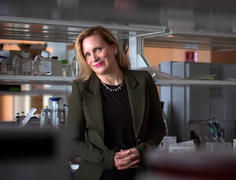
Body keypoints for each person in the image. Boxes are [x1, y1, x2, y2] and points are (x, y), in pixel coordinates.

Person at [67, 26, 166, 180]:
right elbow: (74, 140)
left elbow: (158, 127)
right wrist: (109, 158)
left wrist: (141, 151)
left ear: (113, 48)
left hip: (140, 172)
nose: (93, 58)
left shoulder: (143, 80)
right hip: (99, 174)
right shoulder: (82, 88)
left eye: (98, 49)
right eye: (87, 54)